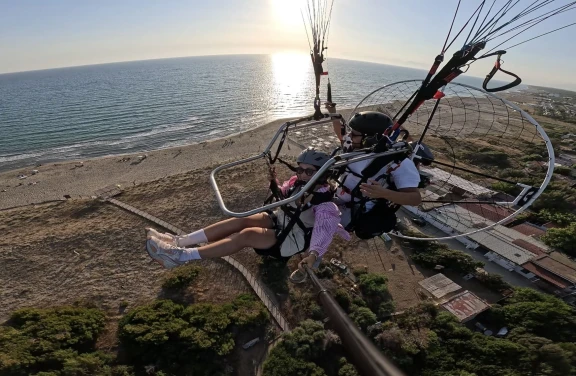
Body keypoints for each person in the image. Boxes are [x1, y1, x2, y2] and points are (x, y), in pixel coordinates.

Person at [145, 148, 350, 273]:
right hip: (281, 219)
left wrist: (313, 255)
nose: (302, 174)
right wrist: (274, 182)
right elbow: (283, 193)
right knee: (241, 220)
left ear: (322, 175)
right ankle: (179, 241)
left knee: (246, 235)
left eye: (309, 171)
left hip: (291, 237)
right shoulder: (298, 183)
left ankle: (181, 256)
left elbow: (323, 233)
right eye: (300, 169)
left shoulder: (325, 205)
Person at [326, 103, 424, 239]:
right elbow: (340, 133)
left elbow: (415, 198)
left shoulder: (396, 161)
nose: (349, 136)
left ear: (369, 138)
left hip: (354, 211)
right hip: (336, 197)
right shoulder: (356, 148)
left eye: (354, 134)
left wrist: (384, 193)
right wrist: (332, 111)